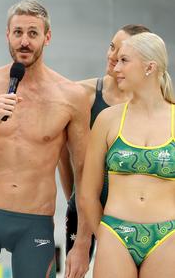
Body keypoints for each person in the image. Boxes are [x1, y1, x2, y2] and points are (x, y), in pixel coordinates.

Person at [0, 0, 91, 278]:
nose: (24, 42)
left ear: (47, 37)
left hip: (35, 223)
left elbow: (85, 174)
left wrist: (82, 241)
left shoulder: (71, 96)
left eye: (32, 33)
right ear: (7, 35)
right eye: (18, 33)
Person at [80, 32, 175, 276]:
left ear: (149, 67)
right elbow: (88, 193)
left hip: (168, 236)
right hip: (115, 235)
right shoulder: (107, 119)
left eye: (124, 61)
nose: (116, 67)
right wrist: (104, 234)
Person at [59, 24, 150, 259]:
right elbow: (63, 155)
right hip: (84, 209)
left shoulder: (150, 106)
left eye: (121, 54)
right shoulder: (83, 94)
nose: (112, 56)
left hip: (128, 212)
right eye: (111, 47)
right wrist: (77, 197)